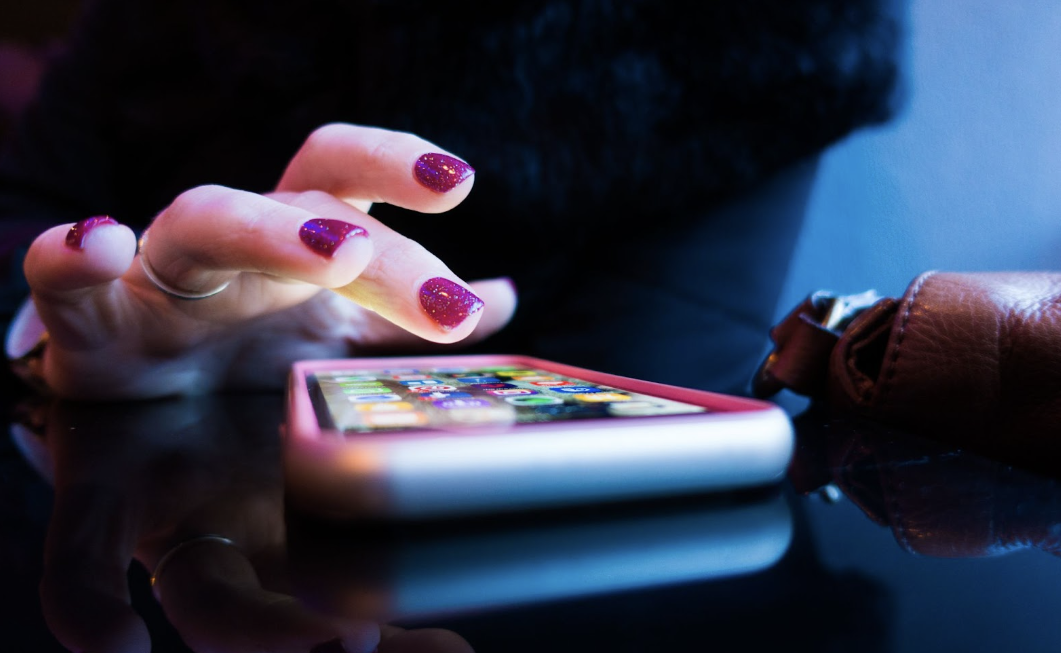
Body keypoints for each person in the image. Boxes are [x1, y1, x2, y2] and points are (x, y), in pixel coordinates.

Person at [0, 0, 901, 399]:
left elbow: (650, 393)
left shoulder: (762, 42)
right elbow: (26, 208)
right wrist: (49, 345)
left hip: (579, 614)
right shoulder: (150, 23)